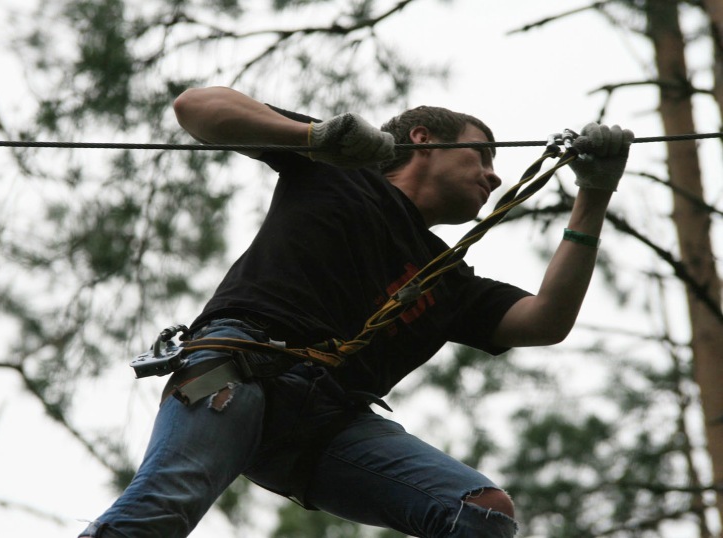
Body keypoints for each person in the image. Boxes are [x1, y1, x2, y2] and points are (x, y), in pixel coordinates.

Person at [79, 86, 634, 538]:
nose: (493, 176)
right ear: (424, 139)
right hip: (240, 367)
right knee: (162, 509)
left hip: (326, 424)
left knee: (479, 515)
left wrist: (594, 194)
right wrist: (314, 137)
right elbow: (195, 107)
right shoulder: (335, 168)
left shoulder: (447, 279)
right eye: (481, 155)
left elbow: (544, 321)